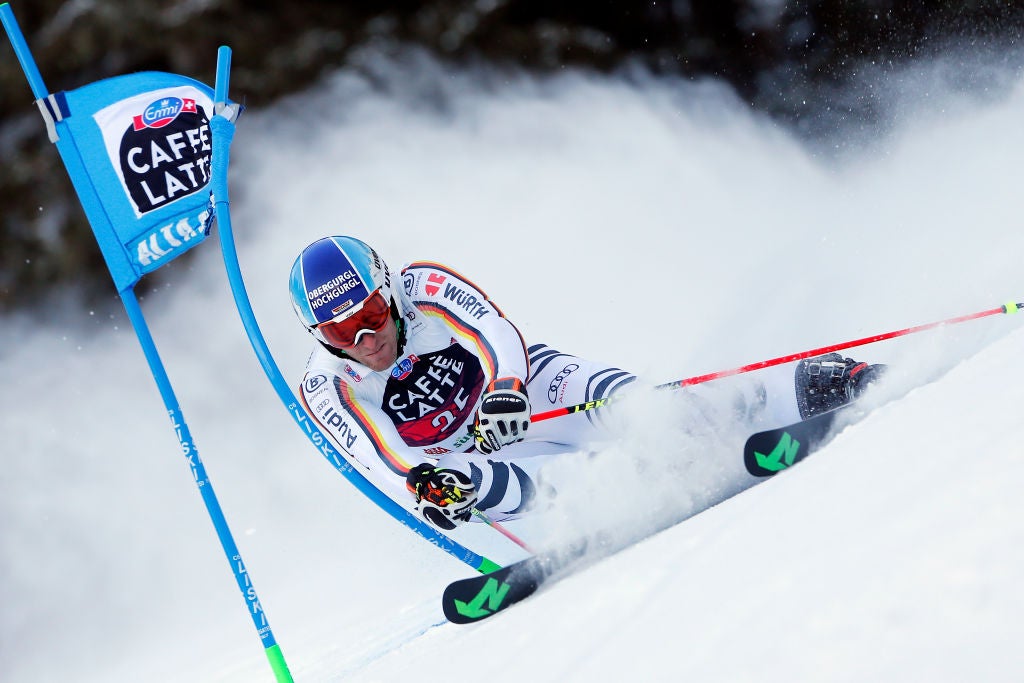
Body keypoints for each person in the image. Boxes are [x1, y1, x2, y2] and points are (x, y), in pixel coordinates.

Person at [289, 235, 884, 531]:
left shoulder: (423, 287)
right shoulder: (325, 387)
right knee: (463, 483)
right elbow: (384, 461)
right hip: (471, 455)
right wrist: (428, 486)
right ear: (320, 339)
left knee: (647, 410)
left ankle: (806, 384)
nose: (366, 341)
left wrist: (505, 388)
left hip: (531, 392)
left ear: (388, 290)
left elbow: (494, 329)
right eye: (342, 335)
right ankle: (612, 494)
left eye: (369, 315)